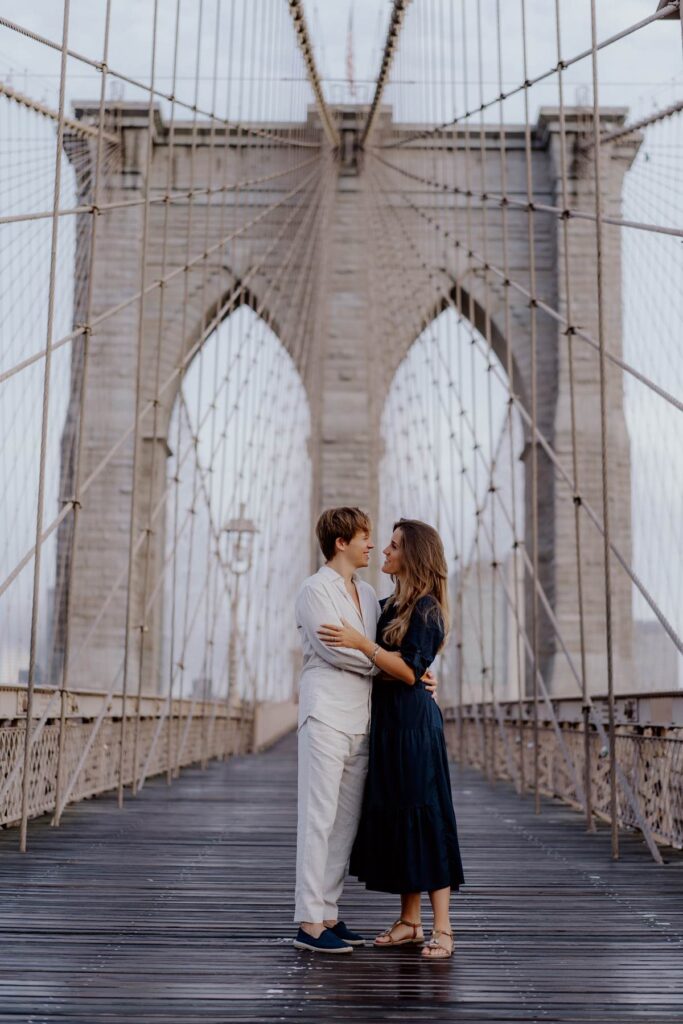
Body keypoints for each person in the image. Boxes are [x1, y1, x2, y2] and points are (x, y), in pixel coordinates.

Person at [318, 518, 465, 961]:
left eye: (395, 546)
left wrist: (366, 646)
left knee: (426, 815)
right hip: (388, 724)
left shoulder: (427, 609)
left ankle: (443, 929)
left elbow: (408, 669)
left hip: (416, 727)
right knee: (402, 817)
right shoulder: (389, 606)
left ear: (413, 556)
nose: (384, 550)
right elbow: (402, 667)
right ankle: (409, 922)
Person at [293, 507, 437, 955]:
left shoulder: (370, 593)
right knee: (317, 819)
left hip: (363, 719)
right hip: (325, 715)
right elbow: (336, 653)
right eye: (364, 537)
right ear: (342, 543)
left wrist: (411, 670)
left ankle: (329, 914)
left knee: (344, 825)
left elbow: (391, 647)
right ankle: (308, 922)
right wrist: (394, 668)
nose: (372, 545)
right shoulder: (314, 591)